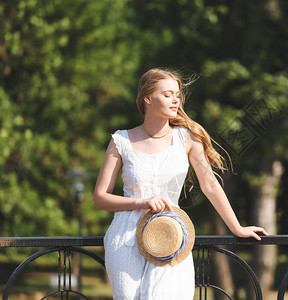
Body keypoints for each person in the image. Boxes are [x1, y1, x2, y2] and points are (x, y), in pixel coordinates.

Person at [93, 68, 268, 299]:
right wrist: (142, 202)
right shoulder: (121, 141)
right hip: (125, 238)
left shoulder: (188, 138)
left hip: (171, 234)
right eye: (167, 94)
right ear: (147, 98)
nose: (175, 99)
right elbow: (100, 198)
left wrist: (237, 228)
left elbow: (210, 185)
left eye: (177, 94)